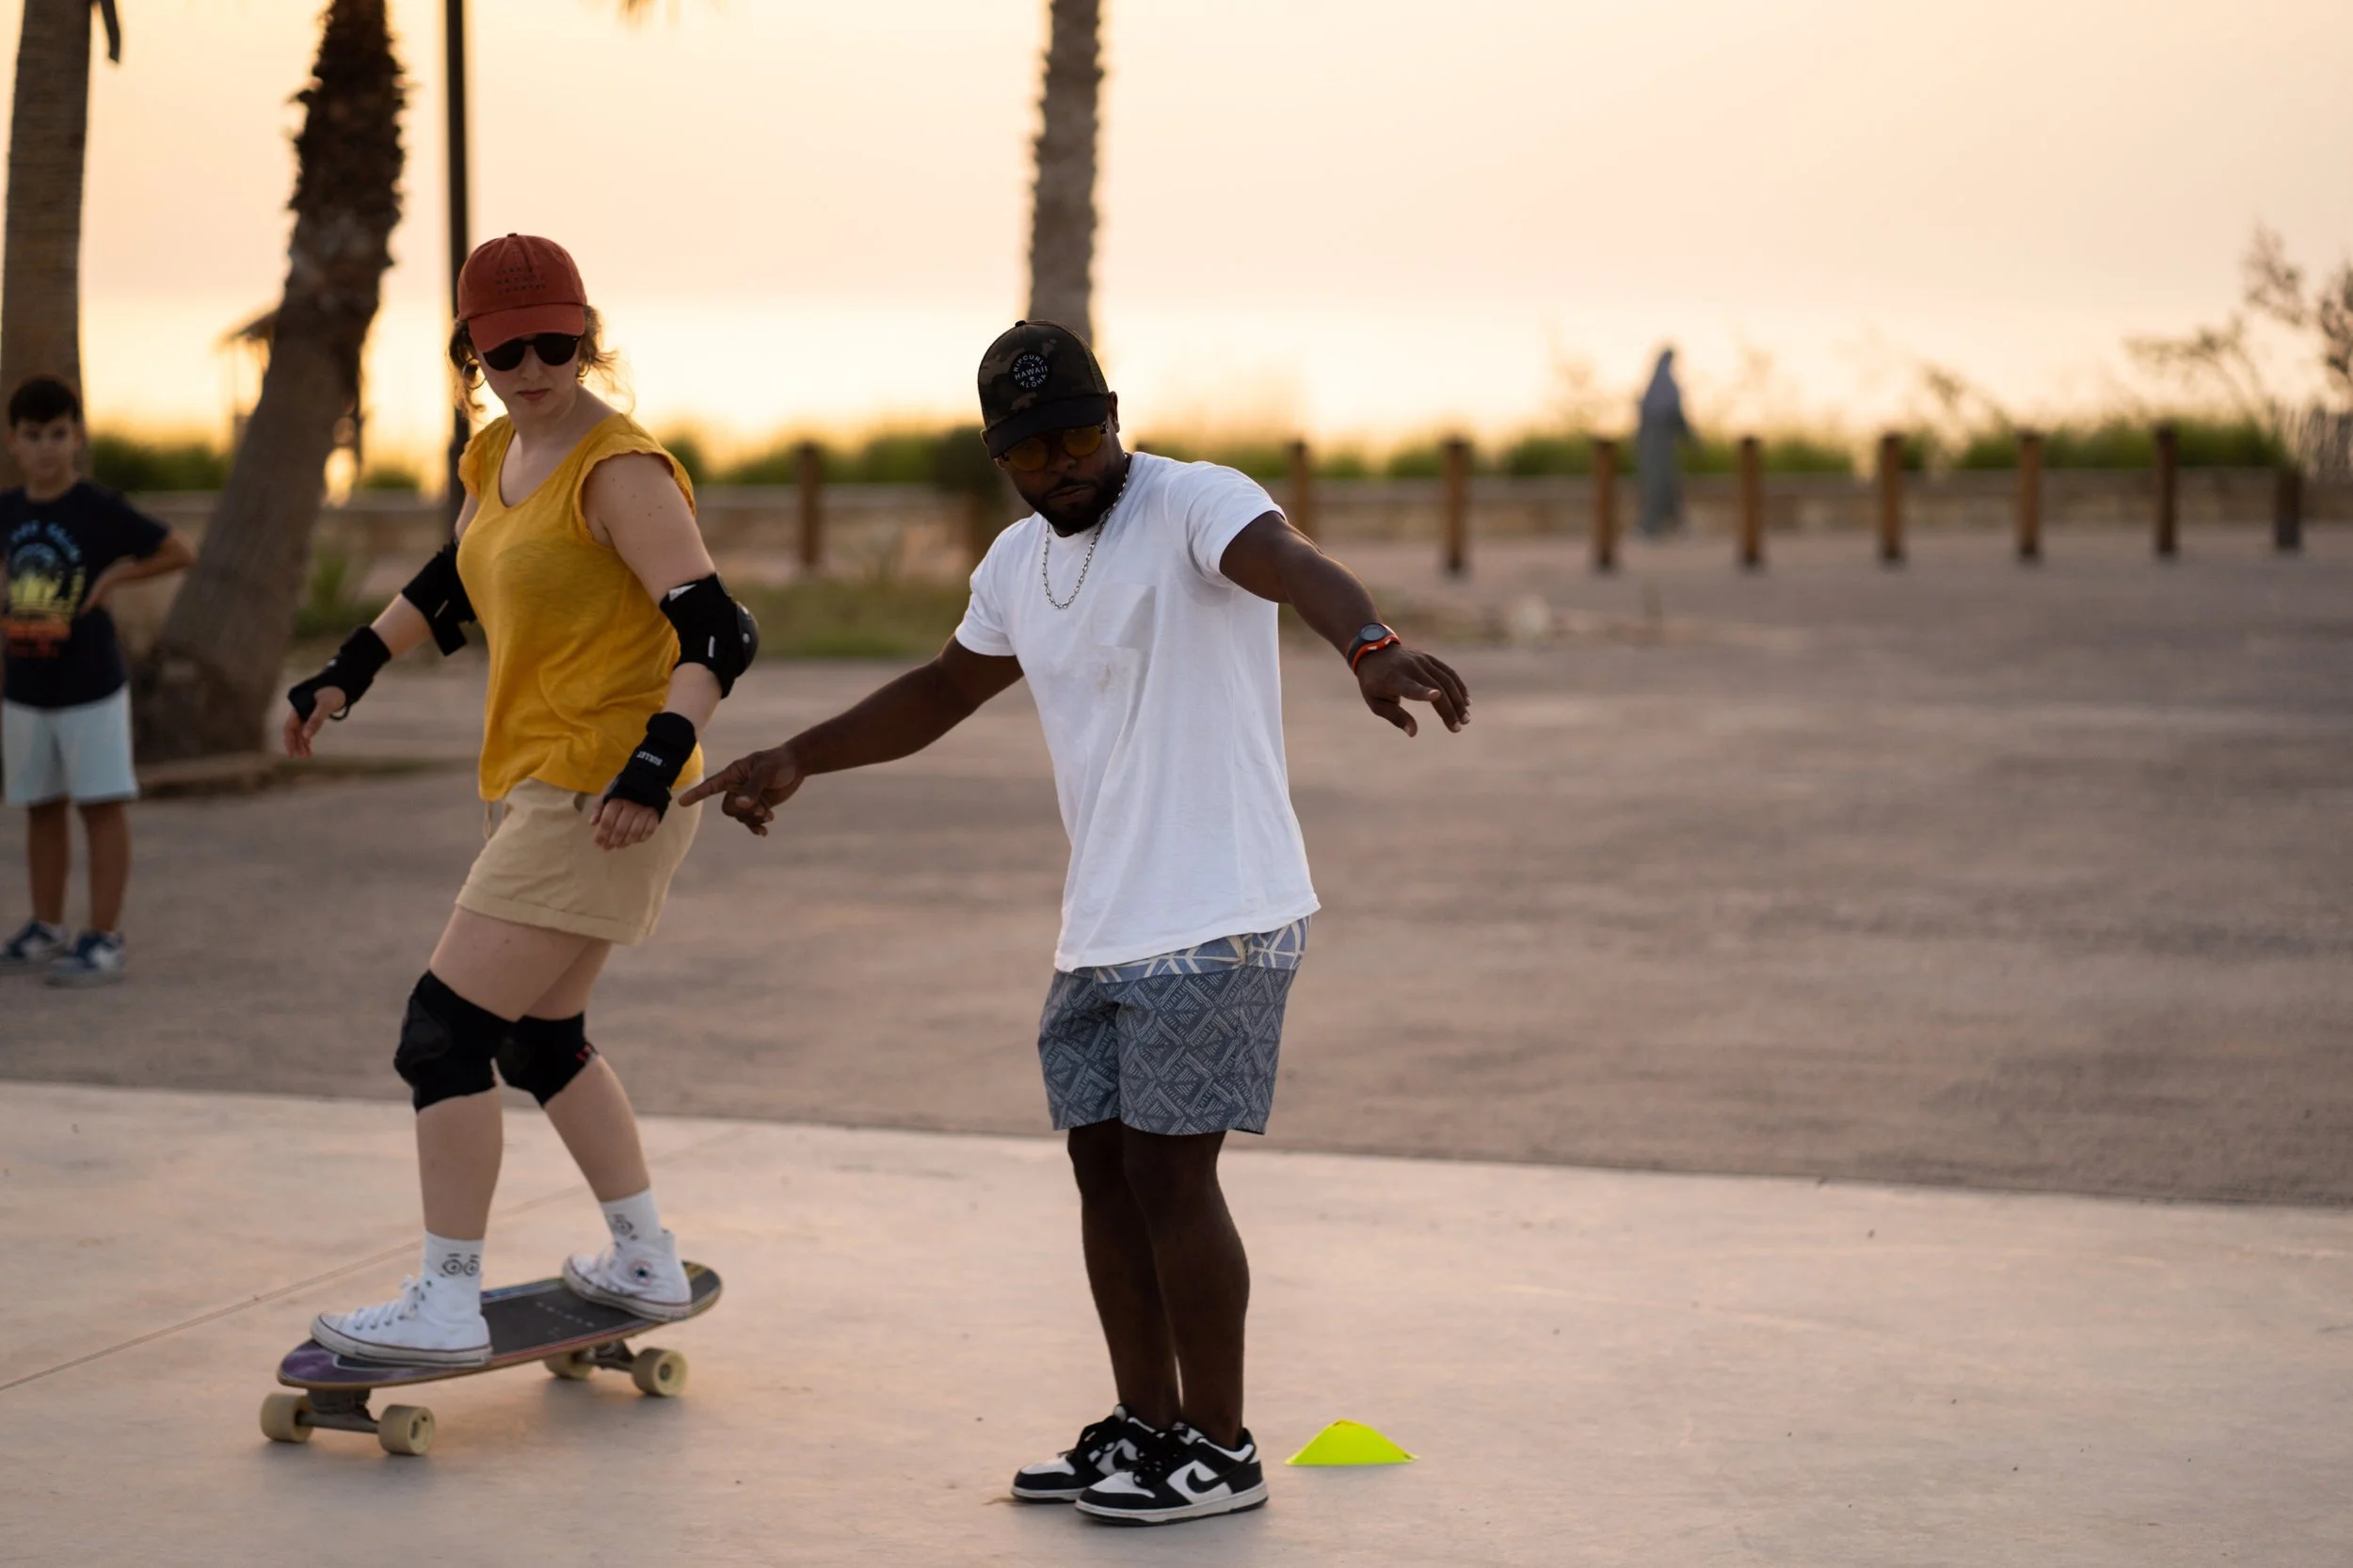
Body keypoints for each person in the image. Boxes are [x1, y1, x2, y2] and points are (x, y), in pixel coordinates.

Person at [684, 322, 1469, 1526]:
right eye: (1032, 451)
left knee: (1169, 1167)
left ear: (1115, 416)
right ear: (1001, 458)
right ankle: (1146, 1426)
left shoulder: (1195, 502)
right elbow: (943, 690)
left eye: (1078, 437)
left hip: (1223, 908)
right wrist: (798, 756)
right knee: (1101, 1165)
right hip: (1104, 917)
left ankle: (1221, 1445)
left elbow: (1294, 561)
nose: (1062, 466)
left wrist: (1366, 643)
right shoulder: (1014, 565)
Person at [287, 234, 752, 1365]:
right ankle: (643, 1254)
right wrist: (351, 664)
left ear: (589, 337)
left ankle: (448, 1298)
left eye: (558, 343)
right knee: (542, 1041)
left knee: (440, 1034)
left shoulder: (620, 469)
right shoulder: (496, 451)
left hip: (600, 793)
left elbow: (717, 631)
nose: (535, 366)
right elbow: (454, 578)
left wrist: (655, 763)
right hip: (540, 785)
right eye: (507, 349)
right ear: (471, 354)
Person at [1, 375, 195, 985]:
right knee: (39, 806)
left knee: (101, 806)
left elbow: (178, 551)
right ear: (14, 441)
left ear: (77, 437)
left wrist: (111, 582)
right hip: (26, 690)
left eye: (58, 434)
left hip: (91, 689)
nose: (46, 448)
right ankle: (46, 927)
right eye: (34, 436)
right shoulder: (6, 511)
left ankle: (104, 937)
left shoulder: (98, 509)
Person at [1635, 346, 1690, 537]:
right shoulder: (1663, 387)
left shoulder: (1657, 387)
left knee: (1666, 486)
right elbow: (1676, 417)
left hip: (1660, 447)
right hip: (1656, 447)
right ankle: (1651, 526)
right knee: (1656, 486)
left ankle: (1669, 525)